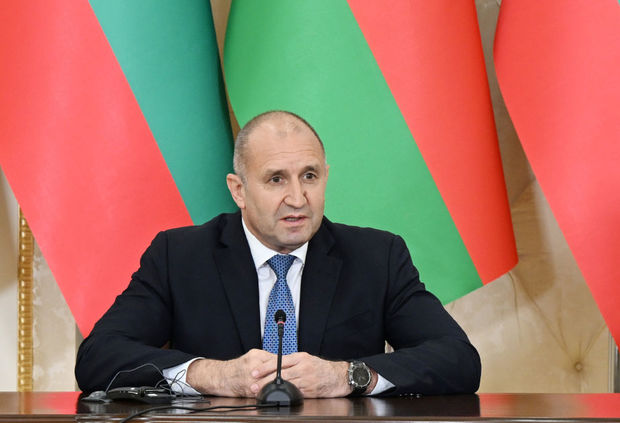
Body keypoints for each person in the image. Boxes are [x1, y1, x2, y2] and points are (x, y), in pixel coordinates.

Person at [75, 110, 481, 397]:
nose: (298, 198)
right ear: (239, 190)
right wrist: (210, 375)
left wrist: (348, 376)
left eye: (310, 176)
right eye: (276, 180)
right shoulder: (179, 256)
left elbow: (459, 360)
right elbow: (98, 358)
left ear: (326, 177)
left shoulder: (377, 257)